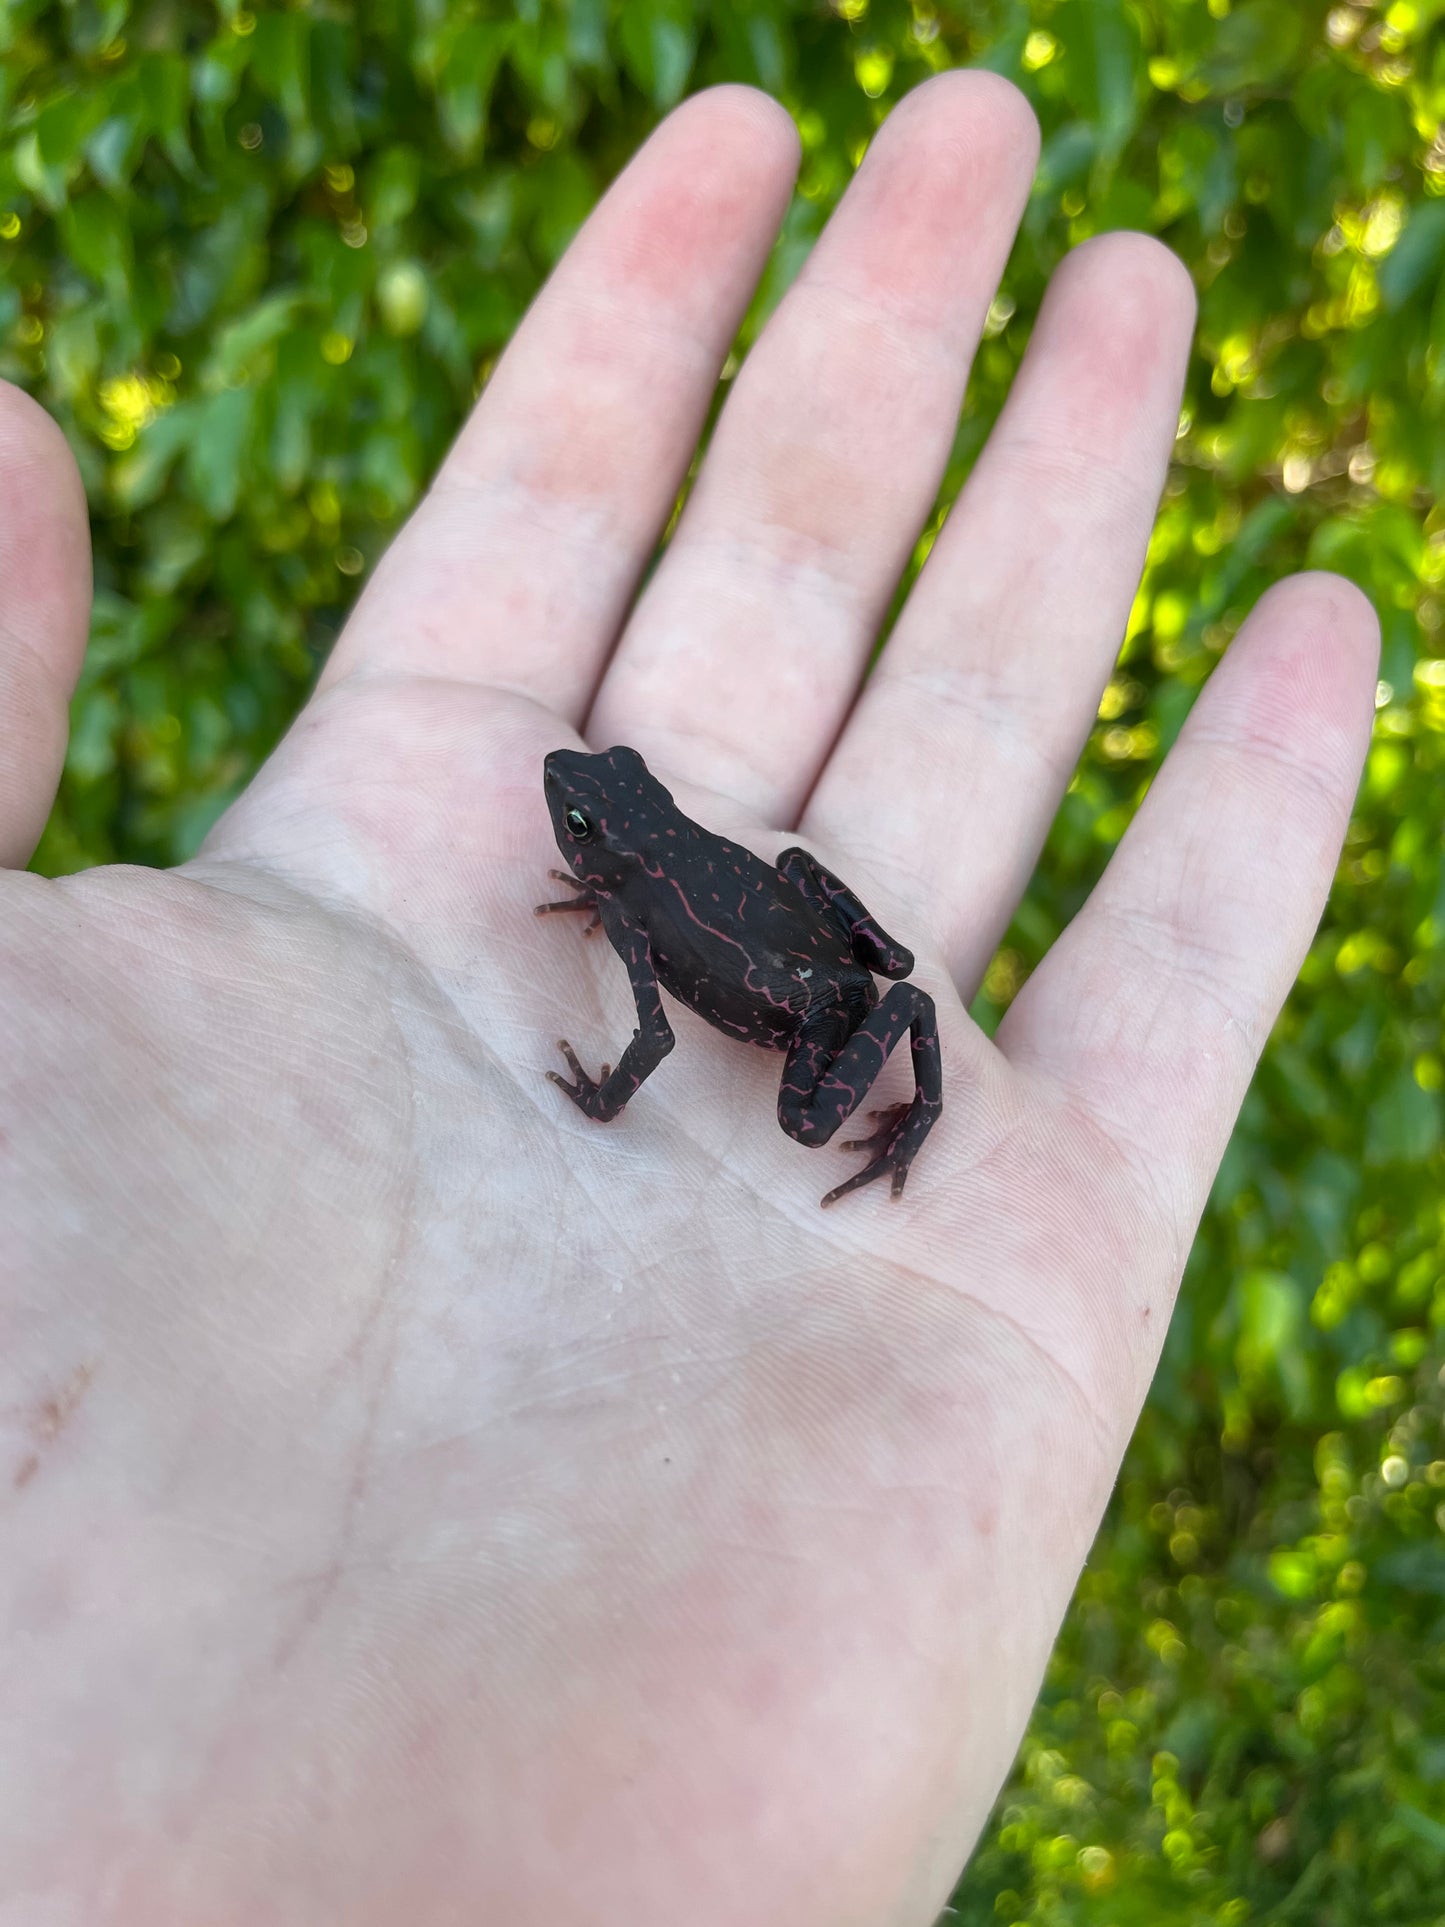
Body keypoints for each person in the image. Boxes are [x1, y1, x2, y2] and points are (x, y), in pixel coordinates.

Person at [0, 72, 1376, 1923]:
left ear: (615, 845)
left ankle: (902, 1105)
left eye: (593, 808)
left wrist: (629, 1093)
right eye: (589, 809)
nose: (579, 801)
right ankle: (893, 1034)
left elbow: (655, 1038)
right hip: (796, 934)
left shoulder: (647, 933)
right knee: (833, 936)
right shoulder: (631, 877)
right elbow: (664, 918)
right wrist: (642, 896)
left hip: (798, 999)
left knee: (832, 1051)